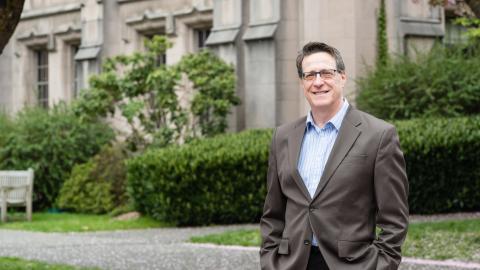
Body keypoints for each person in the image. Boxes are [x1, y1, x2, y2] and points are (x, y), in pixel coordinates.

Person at [259, 42, 409, 270]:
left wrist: (380, 265)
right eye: (310, 75)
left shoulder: (379, 135)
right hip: (292, 263)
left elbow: (395, 219)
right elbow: (273, 213)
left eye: (326, 73)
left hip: (352, 264)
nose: (318, 82)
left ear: (342, 77)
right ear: (302, 83)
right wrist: (270, 261)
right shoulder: (283, 136)